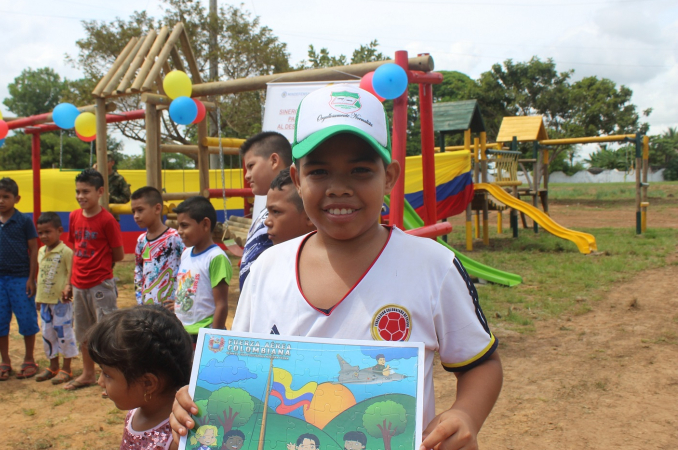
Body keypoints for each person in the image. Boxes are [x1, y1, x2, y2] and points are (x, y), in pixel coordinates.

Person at [170, 85, 503, 450]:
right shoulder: (266, 269)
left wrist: (466, 413)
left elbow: (481, 364)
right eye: (320, 171)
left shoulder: (433, 266)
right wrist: (196, 400)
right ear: (297, 179)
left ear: (389, 177)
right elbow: (241, 371)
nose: (339, 187)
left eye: (360, 170)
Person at [87, 305, 193, 450]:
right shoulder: (134, 412)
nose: (100, 382)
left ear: (148, 384)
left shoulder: (177, 439)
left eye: (107, 374)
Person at [65, 168, 124, 393]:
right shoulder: (73, 216)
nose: (81, 196)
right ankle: (88, 373)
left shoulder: (107, 220)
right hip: (79, 285)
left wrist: (101, 268)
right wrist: (70, 281)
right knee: (83, 332)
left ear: (100, 191)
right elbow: (74, 249)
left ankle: (109, 376)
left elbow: (118, 254)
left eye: (86, 191)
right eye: (78, 191)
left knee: (106, 330)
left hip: (101, 284)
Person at [0, 177, 39, 381]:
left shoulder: (24, 221)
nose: (1, 201)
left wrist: (31, 278)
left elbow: (33, 250)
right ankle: (5, 360)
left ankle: (29, 358)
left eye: (6, 197)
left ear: (16, 198)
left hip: (20, 278)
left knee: (26, 319)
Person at [172, 196, 232, 343]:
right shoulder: (186, 253)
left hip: (204, 334)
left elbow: (221, 304)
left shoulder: (216, 257)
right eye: (178, 226)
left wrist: (213, 339)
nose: (179, 231)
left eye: (184, 226)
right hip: (182, 331)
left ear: (205, 224)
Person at [237, 131, 292, 291]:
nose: (247, 176)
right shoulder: (264, 212)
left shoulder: (299, 206)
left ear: (274, 160)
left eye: (251, 166)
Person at [34, 212, 77, 385]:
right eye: (40, 232)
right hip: (45, 301)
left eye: (48, 232)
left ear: (59, 230)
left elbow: (71, 272)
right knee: (47, 333)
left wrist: (68, 286)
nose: (44, 236)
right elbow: (41, 275)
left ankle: (66, 368)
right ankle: (53, 366)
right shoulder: (41, 251)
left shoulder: (66, 252)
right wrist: (38, 297)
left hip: (61, 302)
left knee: (64, 332)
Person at [132, 187, 184, 307]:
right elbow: (138, 271)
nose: (135, 216)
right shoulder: (141, 241)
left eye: (140, 210)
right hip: (147, 309)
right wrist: (140, 300)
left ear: (157, 208)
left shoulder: (175, 238)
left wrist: (180, 301)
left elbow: (188, 270)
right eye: (133, 211)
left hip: (170, 308)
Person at [264, 168, 315, 245]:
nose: (266, 222)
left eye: (275, 211)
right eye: (268, 212)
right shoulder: (271, 255)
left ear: (309, 216)